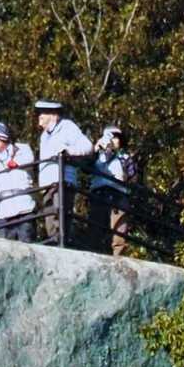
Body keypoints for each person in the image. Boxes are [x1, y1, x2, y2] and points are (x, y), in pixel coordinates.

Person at [33, 98, 93, 240]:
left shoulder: (67, 127)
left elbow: (87, 147)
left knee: (60, 220)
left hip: (62, 181)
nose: (40, 116)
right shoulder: (44, 136)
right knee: (50, 223)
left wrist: (68, 151)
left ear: (54, 115)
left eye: (43, 112)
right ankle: (56, 246)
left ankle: (63, 244)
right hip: (48, 185)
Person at [0, 121, 37, 242]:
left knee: (26, 244)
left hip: (24, 209)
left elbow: (29, 159)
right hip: (3, 213)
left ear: (2, 137)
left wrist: (16, 163)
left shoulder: (21, 149)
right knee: (3, 248)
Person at [91, 124, 134, 256]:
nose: (113, 140)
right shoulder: (97, 156)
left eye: (116, 137)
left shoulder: (125, 157)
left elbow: (132, 176)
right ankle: (96, 253)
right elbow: (85, 166)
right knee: (97, 225)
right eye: (110, 137)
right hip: (99, 192)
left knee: (119, 228)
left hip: (119, 194)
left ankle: (118, 256)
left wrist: (125, 177)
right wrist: (96, 149)